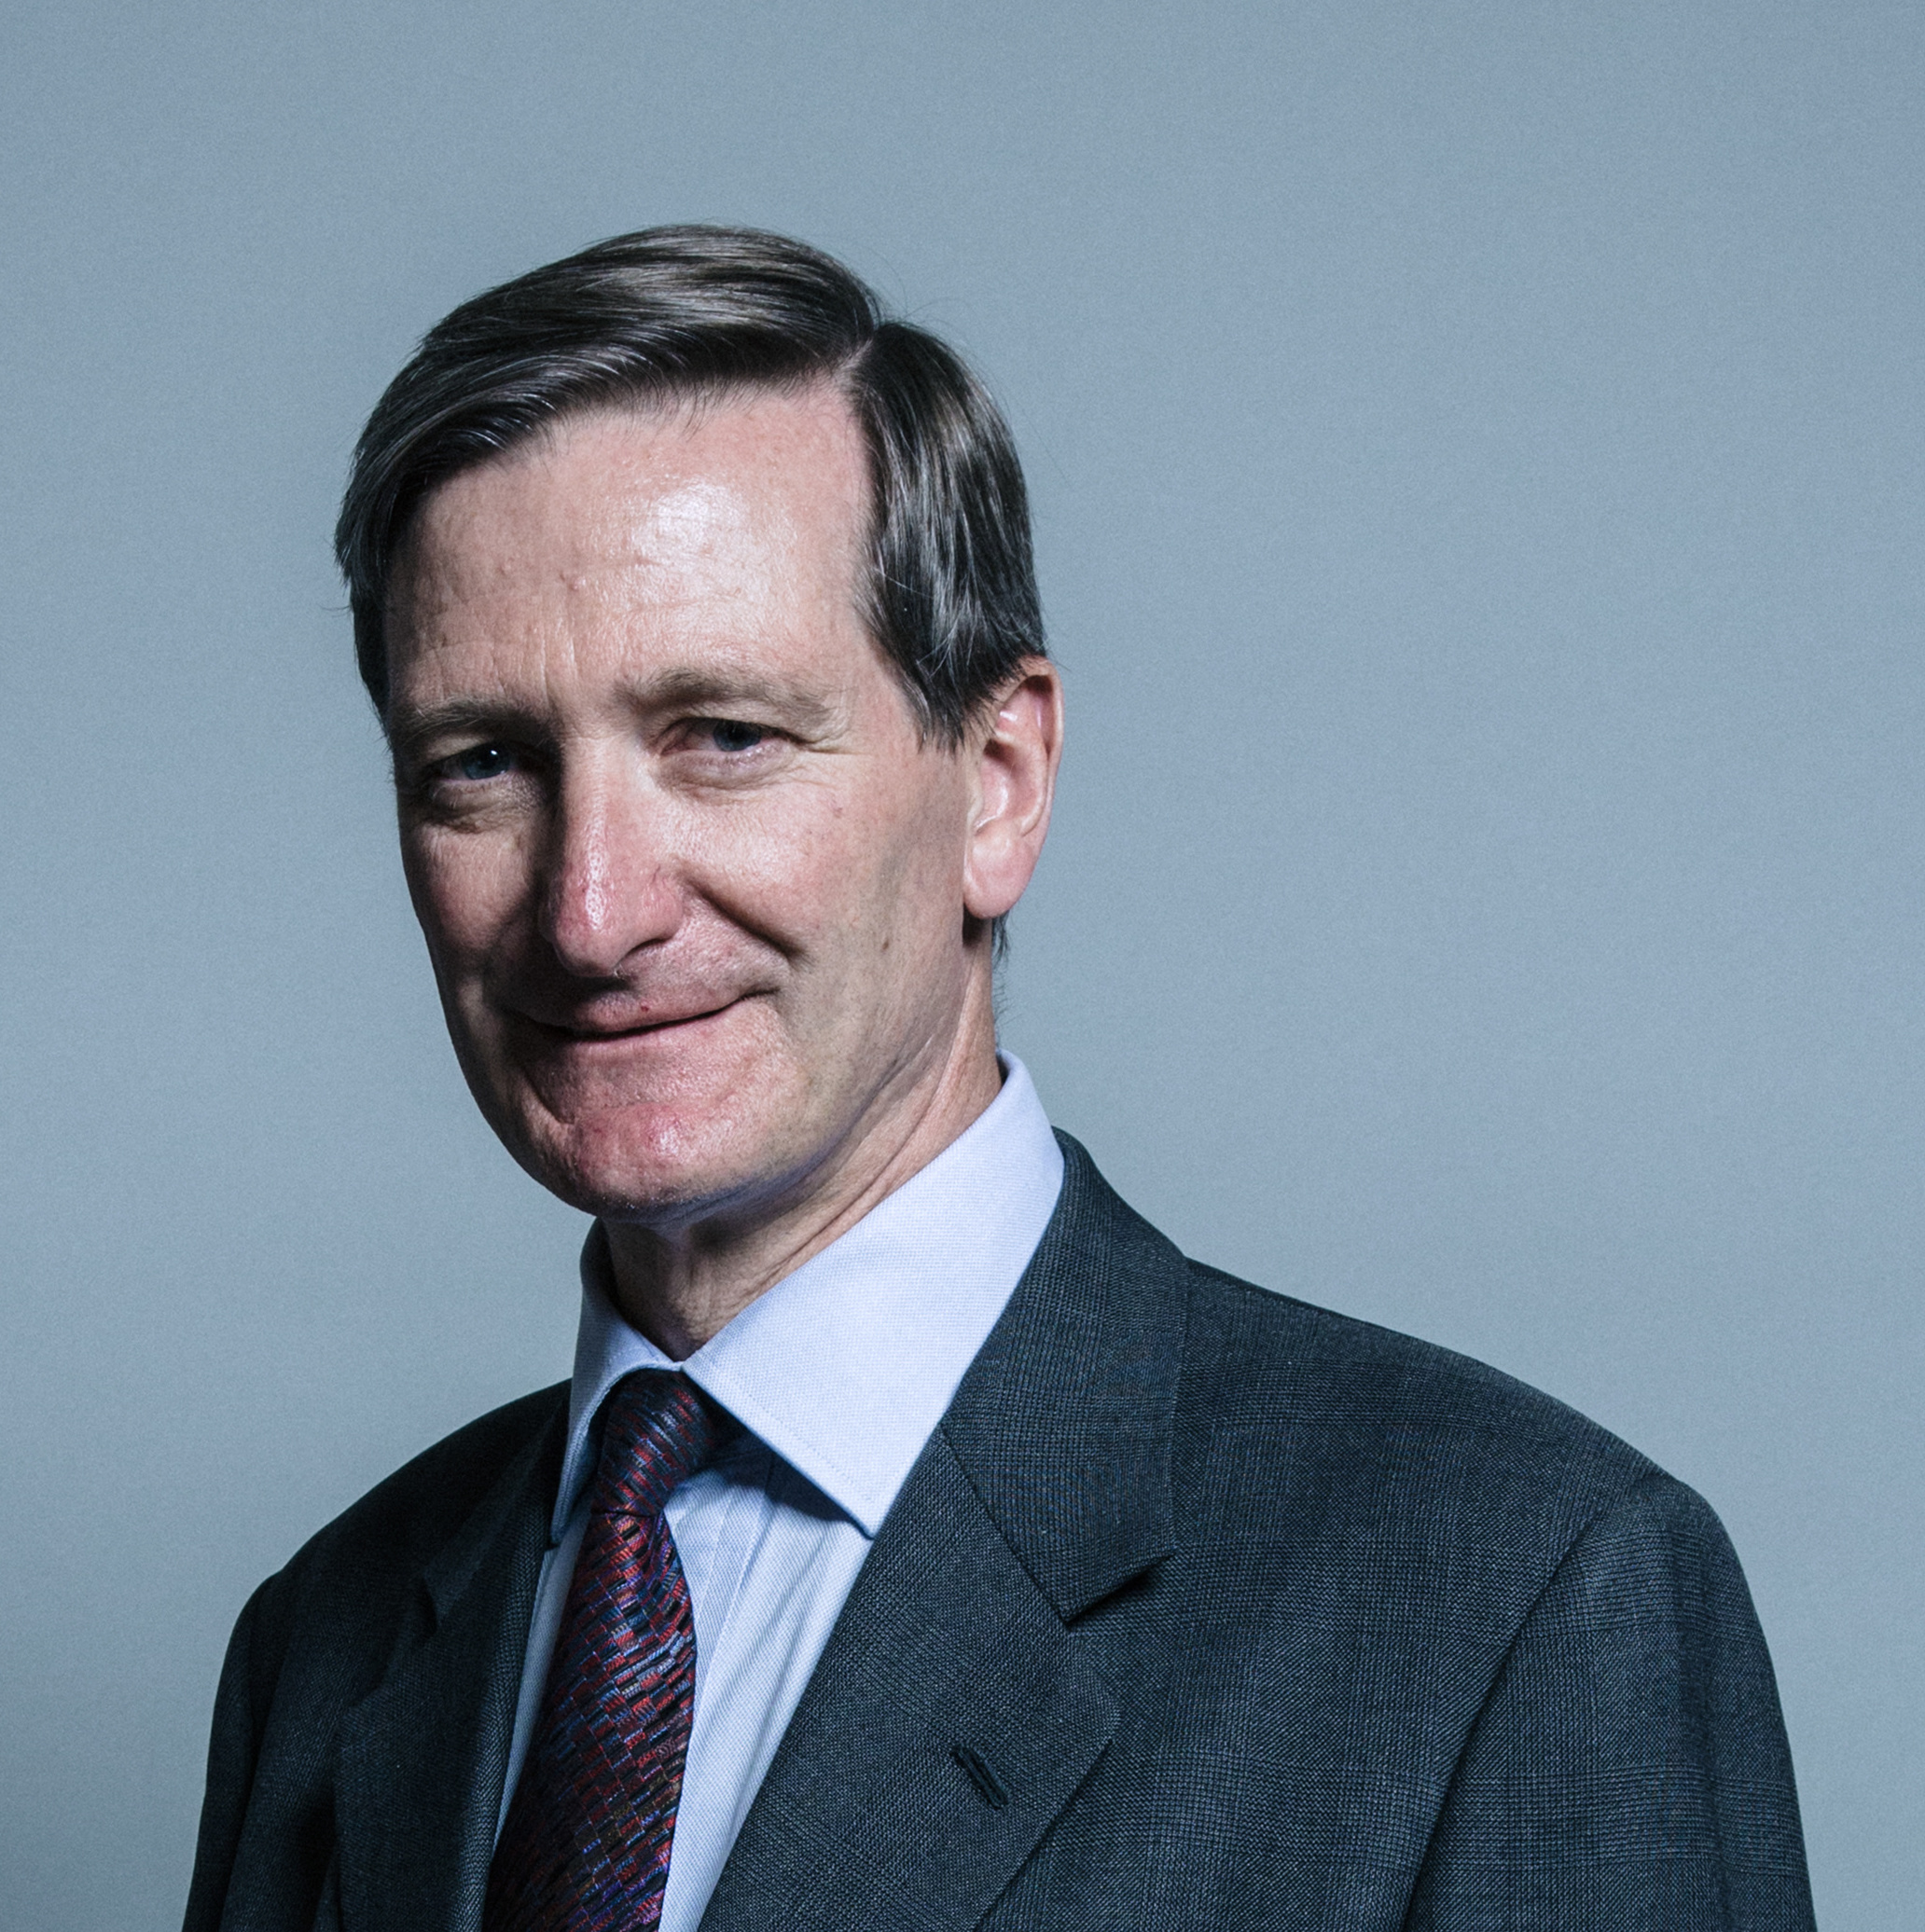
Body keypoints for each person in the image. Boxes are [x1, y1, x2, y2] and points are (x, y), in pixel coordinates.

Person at [182, 226, 1813, 1932]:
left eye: (724, 737)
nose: (592, 912)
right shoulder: (329, 1641)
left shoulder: (1518, 1603)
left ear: (998, 783)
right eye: (482, 765)